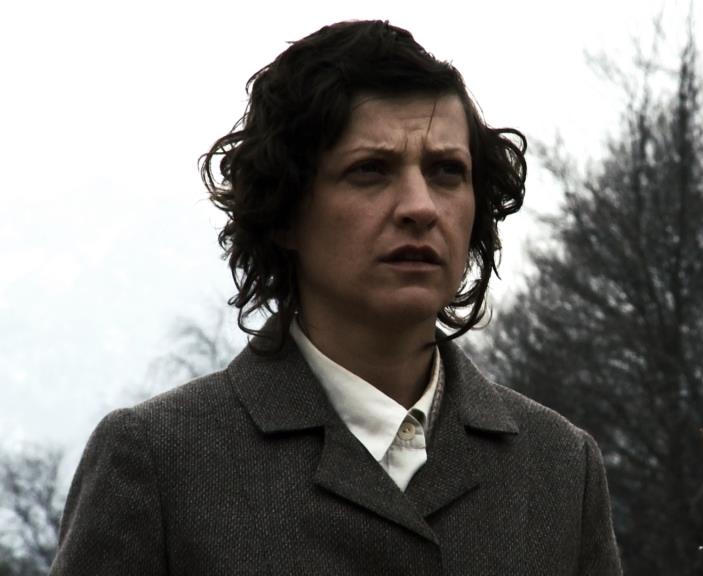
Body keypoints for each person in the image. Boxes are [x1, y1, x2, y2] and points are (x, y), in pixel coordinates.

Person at [51, 20, 622, 575]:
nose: (420, 207)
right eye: (371, 170)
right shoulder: (160, 461)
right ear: (285, 212)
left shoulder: (560, 467)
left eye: (447, 171)